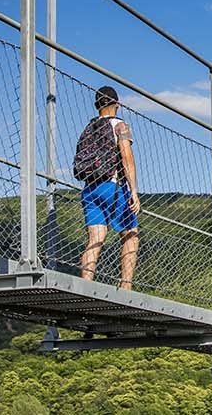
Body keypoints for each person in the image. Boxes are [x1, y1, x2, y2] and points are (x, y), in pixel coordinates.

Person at [73, 86, 142, 290]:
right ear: (117, 105)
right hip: (113, 187)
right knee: (131, 235)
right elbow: (126, 158)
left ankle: (85, 284)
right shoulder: (120, 125)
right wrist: (134, 191)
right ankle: (126, 285)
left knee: (95, 239)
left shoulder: (88, 129)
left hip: (90, 189)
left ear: (97, 106)